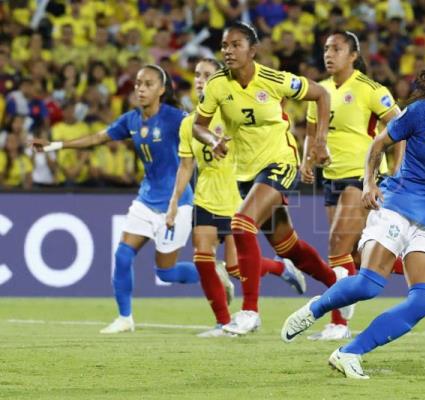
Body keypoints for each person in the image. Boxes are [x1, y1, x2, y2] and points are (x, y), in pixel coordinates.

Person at [281, 55, 425, 379]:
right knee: (369, 285)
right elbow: (378, 145)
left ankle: (349, 352)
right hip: (396, 206)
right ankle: (315, 309)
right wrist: (369, 184)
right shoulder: (423, 112)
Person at [192, 21, 339, 335]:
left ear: (252, 50)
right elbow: (198, 125)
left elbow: (321, 94)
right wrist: (211, 140)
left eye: (235, 45)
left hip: (280, 162)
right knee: (289, 248)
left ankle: (250, 312)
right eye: (224, 46)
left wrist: (320, 141)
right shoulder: (218, 85)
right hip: (246, 173)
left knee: (240, 223)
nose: (228, 51)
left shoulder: (273, 79)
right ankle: (338, 286)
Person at [32, 64, 201, 334]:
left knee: (166, 273)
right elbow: (98, 138)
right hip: (146, 200)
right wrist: (56, 145)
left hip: (176, 203)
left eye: (147, 84)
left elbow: (200, 130)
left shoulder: (176, 118)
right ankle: (125, 318)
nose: (140, 89)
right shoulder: (131, 120)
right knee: (123, 254)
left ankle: (212, 272)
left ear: (161, 89)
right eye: (137, 83)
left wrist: (217, 140)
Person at [166, 58, 307, 337]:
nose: (199, 80)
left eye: (207, 75)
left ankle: (280, 268)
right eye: (196, 75)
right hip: (206, 196)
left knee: (234, 267)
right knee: (202, 259)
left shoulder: (234, 113)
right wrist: (173, 204)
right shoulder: (189, 124)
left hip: (235, 196)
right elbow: (185, 166)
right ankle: (222, 321)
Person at [301, 31, 403, 340]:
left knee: (336, 246)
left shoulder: (370, 90)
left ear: (353, 55)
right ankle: (399, 263)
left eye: (337, 49)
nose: (329, 54)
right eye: (326, 48)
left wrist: (397, 173)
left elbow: (401, 128)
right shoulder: (320, 91)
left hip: (362, 178)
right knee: (351, 254)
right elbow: (311, 130)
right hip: (331, 177)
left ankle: (339, 322)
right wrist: (306, 159)